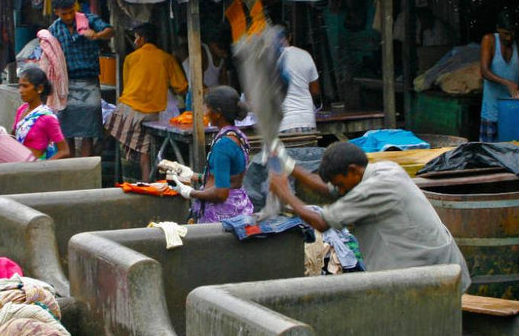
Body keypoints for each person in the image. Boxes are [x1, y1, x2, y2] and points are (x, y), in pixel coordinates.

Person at [268, 141, 471, 294]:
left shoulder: (373, 190)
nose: (340, 190)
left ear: (353, 170)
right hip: (438, 266)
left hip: (429, 274)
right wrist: (291, 167)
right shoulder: (385, 169)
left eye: (340, 183)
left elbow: (321, 222)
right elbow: (333, 191)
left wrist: (285, 193)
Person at [107, 23, 189, 179]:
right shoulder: (167, 58)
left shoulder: (131, 58)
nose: (136, 41)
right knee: (144, 149)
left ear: (142, 39)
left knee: (107, 129)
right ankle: (146, 182)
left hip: (130, 108)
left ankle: (106, 171)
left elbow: (126, 87)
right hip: (153, 113)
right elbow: (181, 86)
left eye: (137, 38)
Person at [166, 86, 254, 223]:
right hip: (239, 208)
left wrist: (189, 192)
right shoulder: (237, 135)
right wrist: (192, 175)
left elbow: (221, 192)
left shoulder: (223, 145)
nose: (205, 113)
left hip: (223, 216)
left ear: (218, 113)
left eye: (207, 108)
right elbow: (226, 178)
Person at [48, 0, 114, 157]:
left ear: (75, 7)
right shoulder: (54, 30)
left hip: (89, 82)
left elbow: (109, 31)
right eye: (64, 13)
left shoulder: (88, 20)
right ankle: (71, 169)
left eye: (71, 11)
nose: (69, 16)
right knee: (67, 130)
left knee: (88, 132)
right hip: (66, 85)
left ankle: (86, 170)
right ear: (56, 12)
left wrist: (97, 35)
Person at [479, 11, 519, 142]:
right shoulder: (489, 40)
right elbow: (484, 72)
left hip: (512, 112)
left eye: (512, 33)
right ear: (498, 29)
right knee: (487, 156)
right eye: (505, 33)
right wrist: (507, 83)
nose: (509, 38)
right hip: (491, 112)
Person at [12, 66, 70, 160]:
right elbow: (13, 137)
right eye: (20, 86)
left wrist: (44, 166)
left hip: (36, 169)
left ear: (40, 88)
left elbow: (64, 151)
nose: (21, 91)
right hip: (19, 166)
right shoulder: (21, 110)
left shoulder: (47, 118)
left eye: (25, 86)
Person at [277, 22, 321, 135]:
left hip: (284, 122)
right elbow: (315, 91)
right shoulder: (305, 55)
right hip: (307, 119)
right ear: (290, 37)